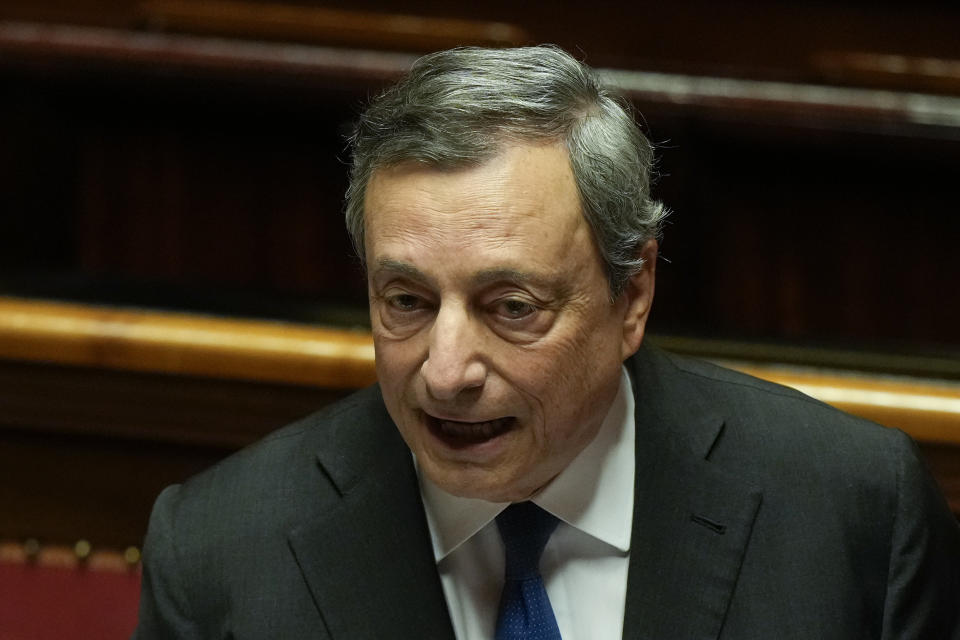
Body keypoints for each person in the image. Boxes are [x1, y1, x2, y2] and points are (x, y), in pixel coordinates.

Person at [133, 46, 960, 639]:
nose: (446, 372)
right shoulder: (221, 552)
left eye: (511, 306)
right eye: (407, 302)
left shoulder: (849, 512)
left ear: (631, 294)